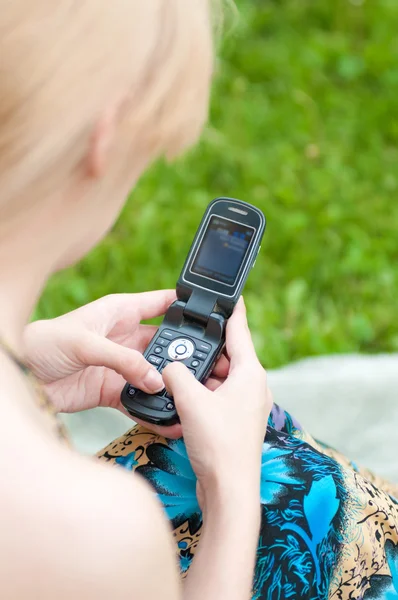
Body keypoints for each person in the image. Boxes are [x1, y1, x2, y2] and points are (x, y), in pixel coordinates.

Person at [0, 2, 397, 599]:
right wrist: (233, 490)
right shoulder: (94, 533)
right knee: (294, 481)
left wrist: (27, 374)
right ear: (103, 137)